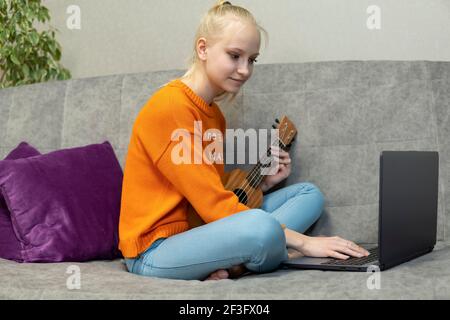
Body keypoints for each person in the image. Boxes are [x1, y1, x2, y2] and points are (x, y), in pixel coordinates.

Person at [118, 0, 369, 281]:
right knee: (262, 228)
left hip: (195, 230)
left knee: (309, 195)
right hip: (154, 251)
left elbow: (205, 189)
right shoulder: (171, 107)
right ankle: (258, 256)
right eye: (234, 55)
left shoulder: (215, 116)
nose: (245, 69)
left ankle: (238, 262)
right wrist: (306, 243)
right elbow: (212, 204)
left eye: (252, 59)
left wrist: (262, 184)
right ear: (203, 49)